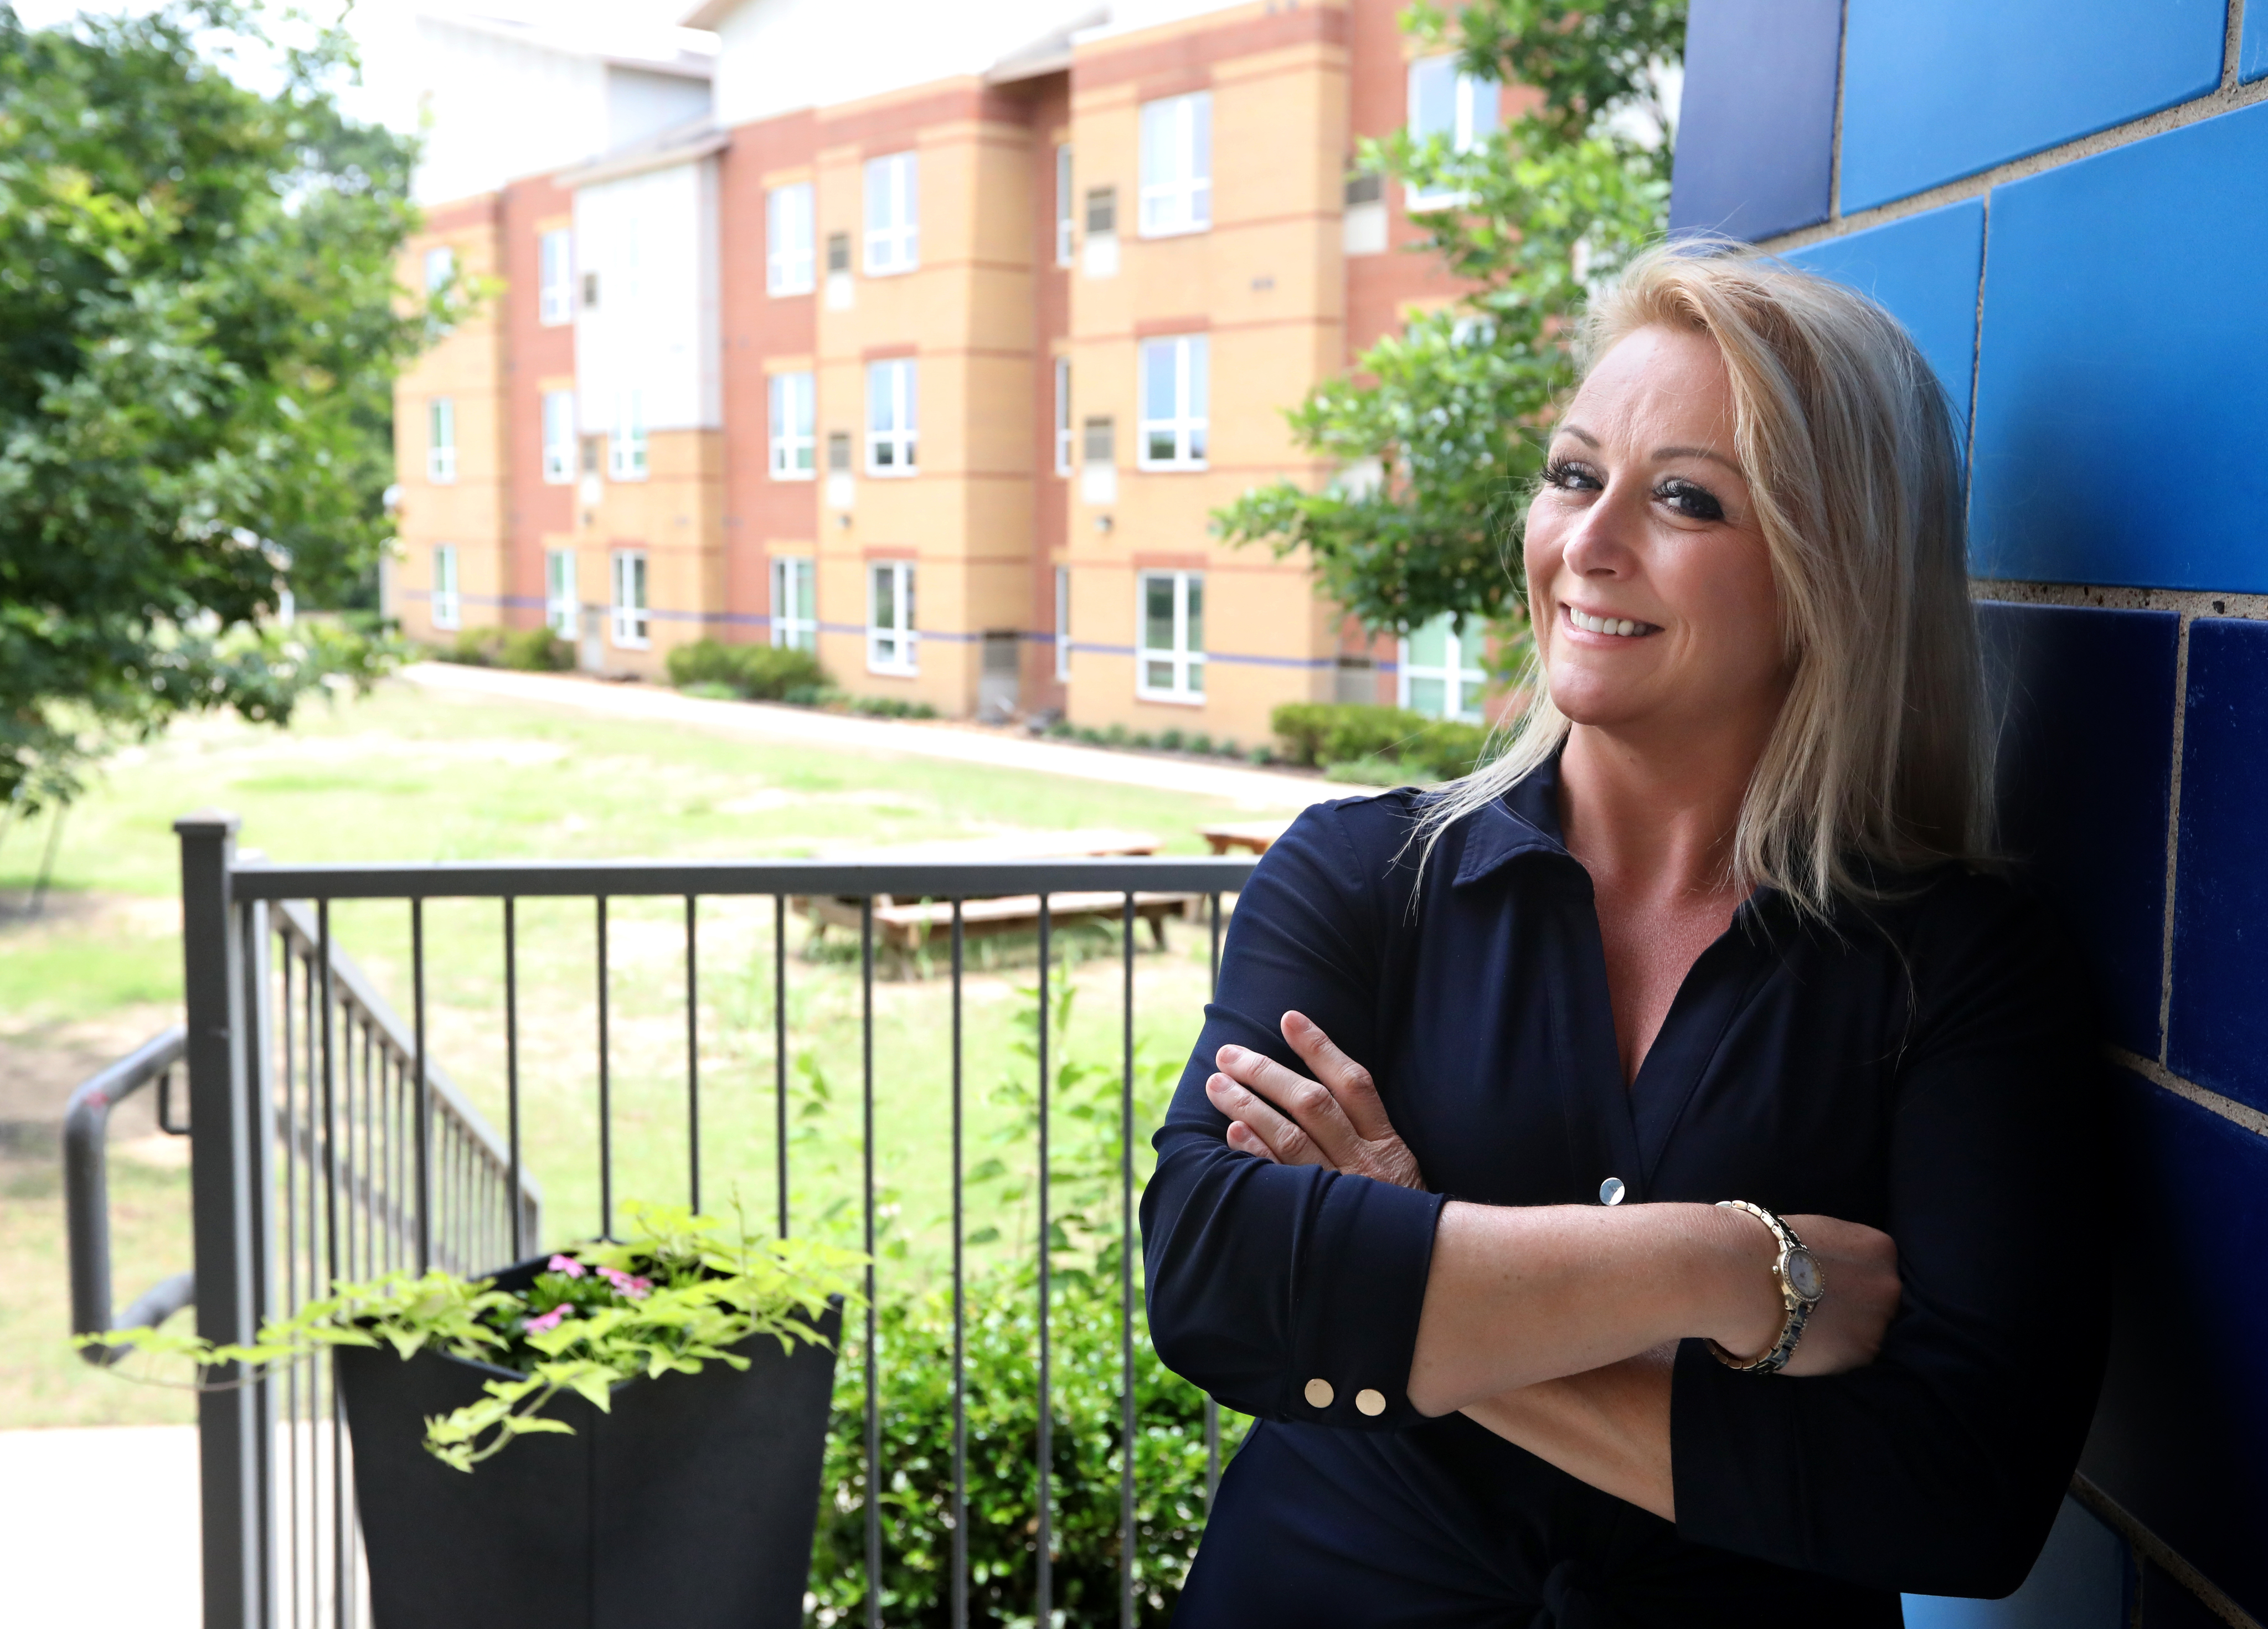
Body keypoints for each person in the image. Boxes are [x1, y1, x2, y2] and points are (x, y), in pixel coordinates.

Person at [1141, 245, 2108, 1627]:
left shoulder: (1956, 969)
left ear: (1829, 572)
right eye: (1571, 473)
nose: (1587, 544)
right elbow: (1215, 1274)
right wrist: (1729, 1266)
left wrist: (1397, 1261)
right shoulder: (1360, 876)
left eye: (1683, 499)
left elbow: (1963, 1493)